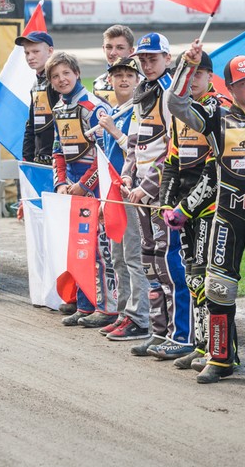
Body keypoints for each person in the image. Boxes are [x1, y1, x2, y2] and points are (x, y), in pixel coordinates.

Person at [168, 49, 245, 383]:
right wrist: (188, 65)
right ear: (232, 87)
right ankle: (220, 358)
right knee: (219, 288)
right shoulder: (216, 116)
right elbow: (176, 104)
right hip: (227, 215)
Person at [122, 33, 193, 360]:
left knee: (169, 262)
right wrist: (127, 174)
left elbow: (172, 150)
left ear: (167, 57)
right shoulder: (142, 92)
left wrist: (147, 186)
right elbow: (136, 144)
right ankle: (158, 331)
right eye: (143, 59)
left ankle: (182, 334)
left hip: (163, 193)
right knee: (149, 260)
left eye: (153, 58)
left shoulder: (170, 94)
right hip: (139, 192)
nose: (147, 64)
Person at [161, 50, 225, 367]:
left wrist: (185, 208)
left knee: (208, 280)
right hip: (184, 209)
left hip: (209, 208)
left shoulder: (216, 109)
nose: (194, 79)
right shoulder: (178, 114)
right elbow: (172, 163)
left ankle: (216, 349)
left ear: (210, 77)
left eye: (200, 73)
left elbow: (215, 173)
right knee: (193, 279)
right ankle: (200, 346)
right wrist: (165, 202)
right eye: (189, 73)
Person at [48, 51, 118, 328]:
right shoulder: (58, 109)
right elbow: (57, 150)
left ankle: (107, 307)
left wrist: (84, 185)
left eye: (66, 73)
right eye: (55, 76)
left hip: (95, 186)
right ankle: (85, 304)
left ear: (77, 73)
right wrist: (61, 182)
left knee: (101, 250)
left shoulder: (93, 107)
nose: (61, 79)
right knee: (78, 248)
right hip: (72, 189)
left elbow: (104, 152)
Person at [96, 56, 150, 341]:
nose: (123, 79)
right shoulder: (115, 110)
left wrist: (114, 131)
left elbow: (137, 151)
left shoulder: (139, 109)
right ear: (110, 81)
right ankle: (124, 313)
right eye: (117, 75)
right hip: (113, 194)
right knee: (117, 257)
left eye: (129, 74)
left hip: (133, 191)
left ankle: (139, 317)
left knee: (132, 256)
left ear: (138, 79)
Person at [19, 31, 57, 165]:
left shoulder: (58, 81)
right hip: (39, 158)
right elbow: (31, 124)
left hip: (56, 159)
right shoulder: (36, 84)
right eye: (27, 53)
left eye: (35, 51)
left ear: (50, 51)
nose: (30, 57)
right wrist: (27, 157)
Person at [93, 25, 135, 106]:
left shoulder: (143, 84)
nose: (112, 53)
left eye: (120, 48)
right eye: (109, 47)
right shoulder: (98, 83)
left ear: (131, 51)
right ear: (103, 49)